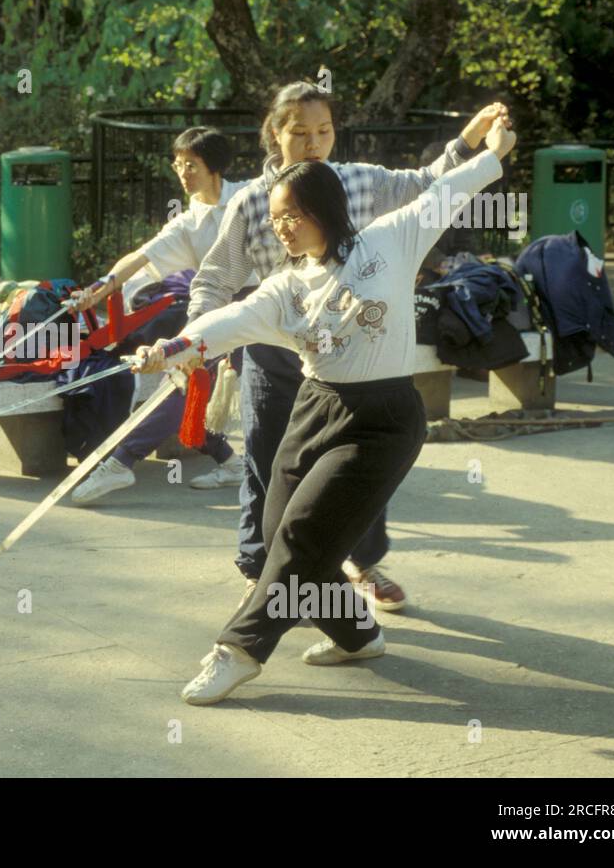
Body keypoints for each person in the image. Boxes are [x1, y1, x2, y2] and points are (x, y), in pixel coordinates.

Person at [132, 120, 517, 706]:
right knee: (275, 530)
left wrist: (491, 156)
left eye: (292, 215)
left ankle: (238, 650)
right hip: (317, 409)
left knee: (303, 539)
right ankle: (358, 636)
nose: (281, 228)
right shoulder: (285, 288)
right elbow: (224, 324)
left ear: (324, 209)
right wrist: (170, 351)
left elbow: (447, 191)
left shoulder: (391, 239)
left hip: (384, 418)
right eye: (275, 218)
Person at [190, 82, 511, 612]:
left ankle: (361, 563)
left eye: (324, 131)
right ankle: (260, 571)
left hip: (352, 355)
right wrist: (196, 341)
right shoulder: (251, 201)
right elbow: (215, 279)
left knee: (359, 466)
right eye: (300, 133)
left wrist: (468, 142)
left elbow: (426, 185)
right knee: (268, 465)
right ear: (274, 133)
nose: (314, 143)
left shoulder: (358, 181)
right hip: (276, 351)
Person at [68, 126, 249, 502]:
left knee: (198, 388)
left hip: (264, 308)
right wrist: (100, 288)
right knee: (188, 385)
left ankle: (121, 462)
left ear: (214, 166)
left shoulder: (249, 199)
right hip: (218, 310)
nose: (182, 172)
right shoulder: (190, 221)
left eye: (191, 164)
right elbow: (142, 256)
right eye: (178, 164)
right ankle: (226, 461)